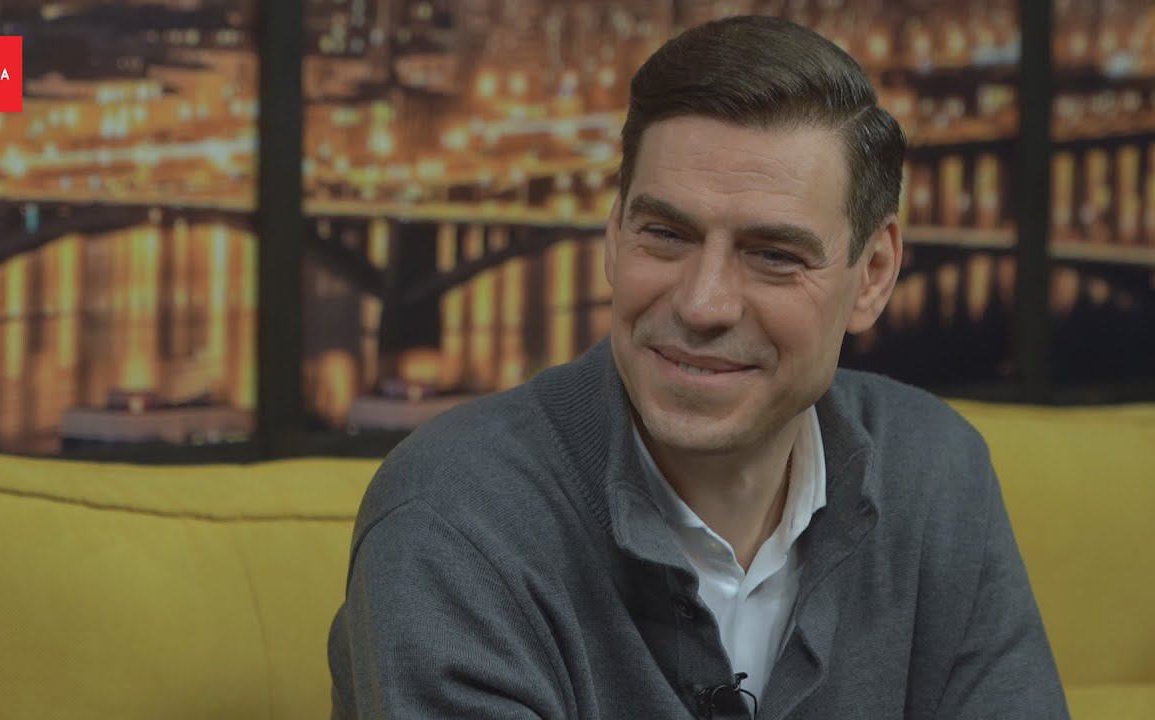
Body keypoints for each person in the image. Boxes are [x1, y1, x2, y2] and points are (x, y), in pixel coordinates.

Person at [327, 15, 1068, 720]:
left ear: (873, 274)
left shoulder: (936, 477)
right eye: (666, 234)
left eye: (773, 254)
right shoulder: (453, 522)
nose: (703, 303)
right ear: (613, 237)